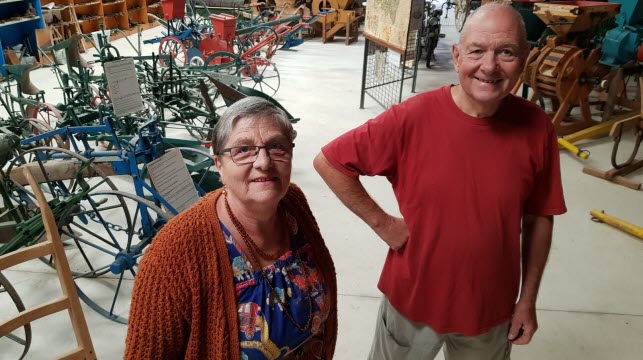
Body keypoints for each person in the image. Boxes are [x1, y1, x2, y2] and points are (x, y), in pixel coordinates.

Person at [314, 2, 566, 359]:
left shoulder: (537, 128)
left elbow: (541, 216)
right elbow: (330, 162)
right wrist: (382, 222)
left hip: (490, 308)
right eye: (477, 51)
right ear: (458, 55)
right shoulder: (411, 119)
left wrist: (527, 299)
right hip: (411, 301)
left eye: (506, 52)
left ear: (524, 58)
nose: (489, 66)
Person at [125, 97, 338, 359]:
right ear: (219, 166)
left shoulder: (293, 203)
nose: (263, 162)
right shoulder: (174, 252)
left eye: (276, 147)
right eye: (243, 150)